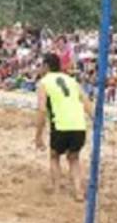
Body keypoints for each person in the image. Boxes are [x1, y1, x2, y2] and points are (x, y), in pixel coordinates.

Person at [34, 53, 92, 201]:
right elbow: (86, 102)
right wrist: (95, 120)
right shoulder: (72, 81)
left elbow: (41, 109)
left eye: (41, 65)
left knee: (54, 156)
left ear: (46, 66)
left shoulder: (44, 82)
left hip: (60, 125)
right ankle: (79, 192)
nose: (39, 68)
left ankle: (57, 190)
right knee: (74, 158)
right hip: (79, 125)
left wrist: (38, 135)